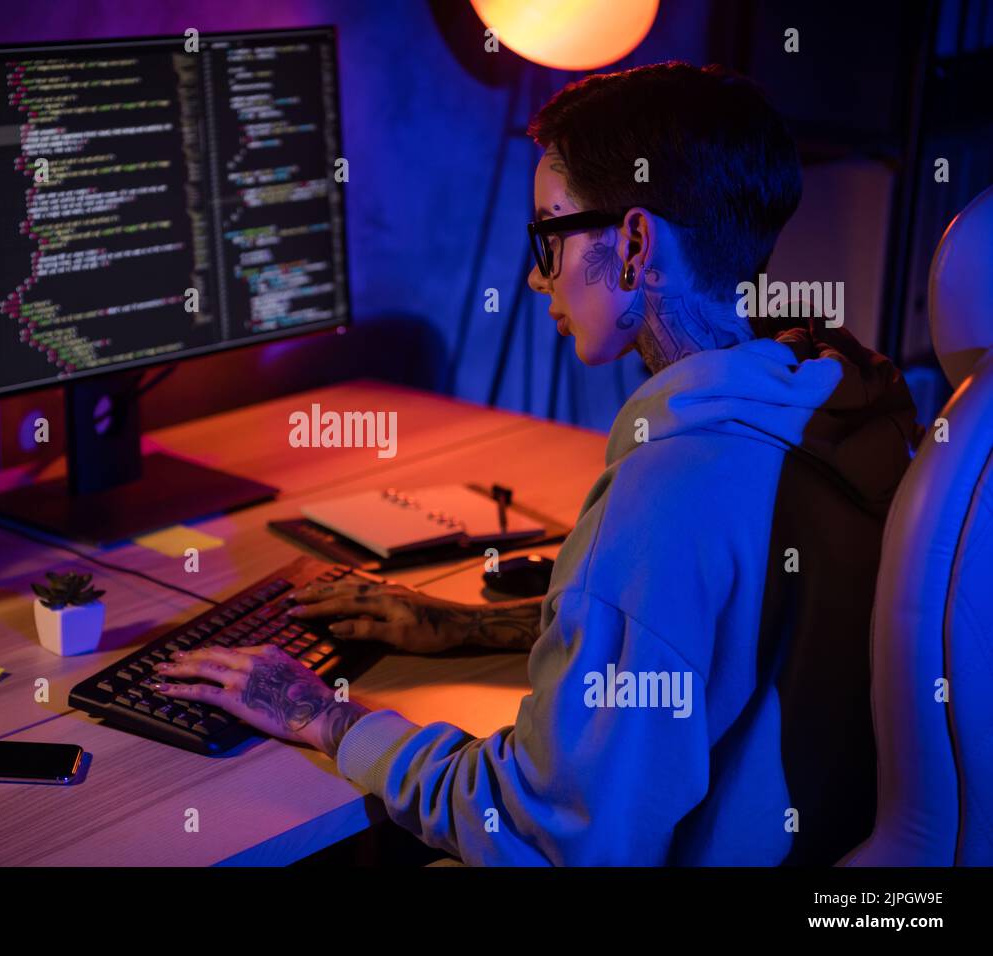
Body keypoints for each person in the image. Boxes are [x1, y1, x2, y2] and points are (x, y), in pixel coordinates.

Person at [150, 62, 921, 865]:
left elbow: (545, 833)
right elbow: (709, 636)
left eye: (548, 238)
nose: (534, 275)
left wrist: (328, 716)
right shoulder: (837, 400)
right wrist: (468, 625)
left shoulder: (669, 490)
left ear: (632, 246)